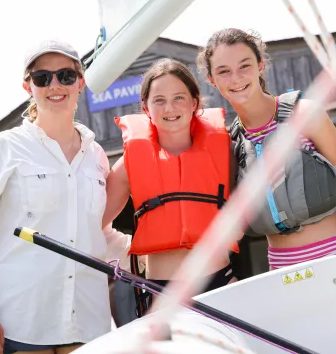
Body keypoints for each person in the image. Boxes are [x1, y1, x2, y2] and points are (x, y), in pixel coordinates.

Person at [0, 39, 131, 354]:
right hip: (21, 323)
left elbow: (95, 233)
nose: (54, 85)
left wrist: (151, 256)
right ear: (28, 86)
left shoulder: (96, 156)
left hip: (88, 323)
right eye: (42, 78)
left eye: (65, 75)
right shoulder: (2, 149)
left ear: (81, 81)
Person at [196, 28, 336, 270]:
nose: (235, 78)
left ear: (260, 65)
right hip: (282, 271)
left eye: (244, 66)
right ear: (212, 80)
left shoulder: (305, 114)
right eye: (223, 72)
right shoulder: (229, 142)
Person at [102, 58, 240, 316]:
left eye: (179, 97)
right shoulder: (129, 163)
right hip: (161, 294)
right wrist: (127, 248)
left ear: (194, 102)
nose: (170, 107)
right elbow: (93, 223)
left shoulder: (225, 152)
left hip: (219, 283)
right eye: (159, 100)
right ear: (146, 108)